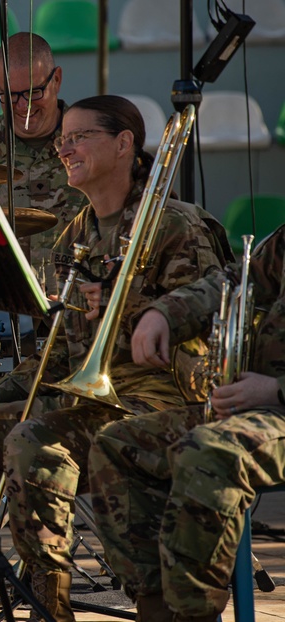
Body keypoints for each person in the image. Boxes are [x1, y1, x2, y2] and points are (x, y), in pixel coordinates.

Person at [0, 95, 231, 621]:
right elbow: (58, 353)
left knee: (31, 440)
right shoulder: (76, 235)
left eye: (79, 136)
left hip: (161, 405)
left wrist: (128, 311)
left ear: (125, 144)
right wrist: (2, 390)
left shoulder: (176, 225)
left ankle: (47, 600)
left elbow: (206, 342)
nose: (64, 148)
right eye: (63, 139)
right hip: (89, 404)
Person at [89, 226, 285, 622]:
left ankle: (193, 614)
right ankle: (157, 610)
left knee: (209, 452)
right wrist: (163, 313)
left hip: (274, 406)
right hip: (259, 408)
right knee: (117, 445)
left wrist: (277, 391)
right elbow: (234, 282)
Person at [0, 32, 87, 296]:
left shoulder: (91, 141)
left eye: (33, 92)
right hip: (6, 312)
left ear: (57, 79)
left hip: (79, 313)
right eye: (9, 95)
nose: (23, 106)